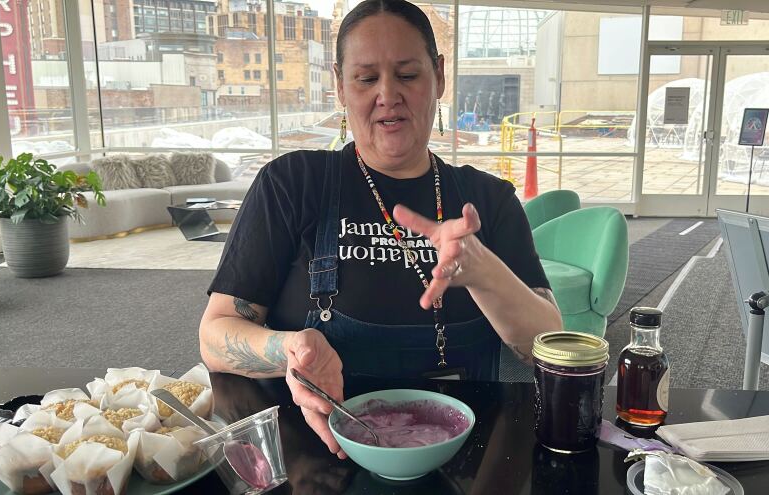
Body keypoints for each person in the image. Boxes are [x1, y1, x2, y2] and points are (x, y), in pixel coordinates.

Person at [199, 0, 562, 459]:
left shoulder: (488, 200)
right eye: (366, 78)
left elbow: (549, 348)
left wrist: (484, 271)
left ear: (440, 77)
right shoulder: (292, 184)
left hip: (470, 458)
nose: (387, 94)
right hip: (319, 456)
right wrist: (288, 348)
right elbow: (214, 338)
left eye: (407, 75)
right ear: (340, 84)